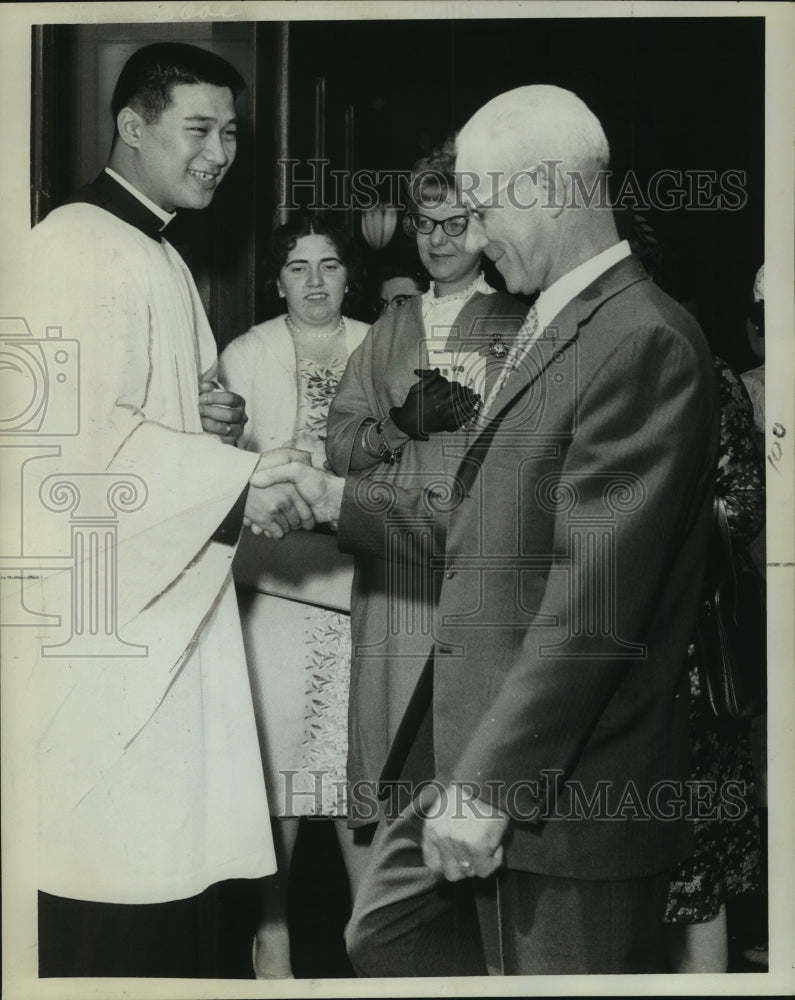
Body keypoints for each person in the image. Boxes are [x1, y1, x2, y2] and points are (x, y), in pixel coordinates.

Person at [253, 84, 721, 975]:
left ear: (544, 188)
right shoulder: (554, 318)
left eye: (481, 205)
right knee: (380, 936)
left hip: (561, 794)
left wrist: (489, 786)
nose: (468, 232)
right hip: (466, 751)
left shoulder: (643, 338)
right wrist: (331, 498)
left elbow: (593, 602)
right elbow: (489, 527)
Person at [27, 42, 312, 978]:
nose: (219, 153)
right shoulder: (72, 245)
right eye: (198, 129)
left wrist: (205, 423)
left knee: (169, 891)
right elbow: (69, 457)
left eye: (230, 133)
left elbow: (133, 415)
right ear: (132, 125)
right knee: (111, 902)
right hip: (106, 631)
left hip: (162, 607)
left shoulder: (154, 248)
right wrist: (232, 477)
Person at [325, 145, 526, 831]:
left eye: (456, 223)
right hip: (395, 569)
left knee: (474, 758)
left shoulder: (520, 322)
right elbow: (341, 445)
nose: (438, 240)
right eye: (424, 223)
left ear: (484, 225)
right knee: (393, 752)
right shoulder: (390, 326)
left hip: (480, 557)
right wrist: (399, 425)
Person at [218, 215, 371, 979]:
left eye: (329, 265)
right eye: (298, 267)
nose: (315, 281)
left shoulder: (381, 346)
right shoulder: (244, 354)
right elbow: (223, 472)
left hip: (360, 585)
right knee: (279, 762)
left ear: (349, 277)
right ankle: (271, 930)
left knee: (353, 761)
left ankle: (367, 930)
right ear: (276, 282)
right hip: (273, 587)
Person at [663, 357, 764, 972]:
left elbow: (743, 507)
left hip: (692, 652)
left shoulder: (708, 374)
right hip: (615, 648)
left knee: (695, 860)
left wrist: (649, 521)